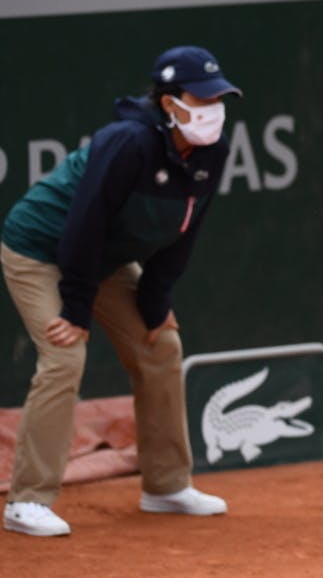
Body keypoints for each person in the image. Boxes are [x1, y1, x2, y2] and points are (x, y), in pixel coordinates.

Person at [1, 46, 240, 536]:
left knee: (161, 344)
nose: (215, 108)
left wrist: (155, 304)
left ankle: (166, 487)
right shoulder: (126, 142)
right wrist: (75, 307)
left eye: (219, 97)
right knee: (65, 355)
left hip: (102, 257)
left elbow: (185, 231)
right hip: (39, 247)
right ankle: (27, 500)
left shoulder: (212, 151)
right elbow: (84, 225)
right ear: (170, 103)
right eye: (203, 97)